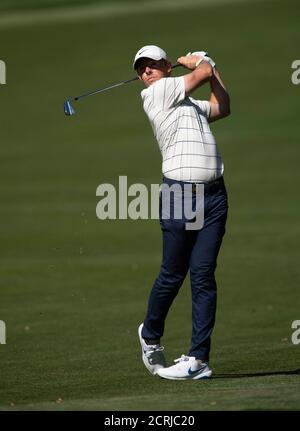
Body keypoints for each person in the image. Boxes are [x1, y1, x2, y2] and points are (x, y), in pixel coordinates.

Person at [134, 45, 230, 380]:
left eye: (152, 65)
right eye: (140, 68)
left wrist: (210, 68)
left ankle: (198, 361)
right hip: (180, 194)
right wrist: (204, 63)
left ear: (166, 66)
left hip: (215, 196)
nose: (146, 71)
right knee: (173, 273)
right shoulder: (156, 94)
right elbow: (201, 73)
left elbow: (222, 106)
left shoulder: (186, 103)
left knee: (203, 275)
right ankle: (150, 334)